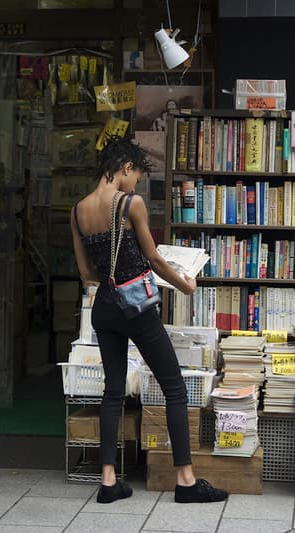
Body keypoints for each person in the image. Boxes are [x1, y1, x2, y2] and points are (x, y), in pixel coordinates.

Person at [70, 135, 228, 504]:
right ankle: (186, 481)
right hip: (137, 309)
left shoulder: (77, 211)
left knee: (112, 391)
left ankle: (108, 481)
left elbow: (84, 272)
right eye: (136, 176)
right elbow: (155, 259)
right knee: (174, 387)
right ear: (126, 168)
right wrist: (185, 285)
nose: (135, 183)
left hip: (104, 309)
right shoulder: (130, 204)